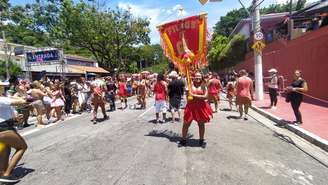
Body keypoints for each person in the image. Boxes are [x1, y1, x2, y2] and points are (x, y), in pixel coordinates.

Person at [180, 72, 213, 147]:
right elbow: (188, 97)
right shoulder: (189, 85)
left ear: (201, 78)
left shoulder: (204, 86)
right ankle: (183, 140)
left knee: (201, 125)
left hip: (200, 107)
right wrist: (187, 92)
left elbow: (205, 96)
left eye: (199, 77)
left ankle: (201, 140)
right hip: (190, 107)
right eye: (196, 77)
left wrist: (194, 95)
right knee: (186, 124)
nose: (198, 78)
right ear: (193, 77)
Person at [0, 96, 28, 183]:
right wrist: (24, 98)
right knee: (22, 147)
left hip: (4, 126)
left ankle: (2, 173)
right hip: (3, 128)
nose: (2, 88)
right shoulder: (1, 99)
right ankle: (7, 175)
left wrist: (15, 120)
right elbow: (21, 101)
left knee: (5, 150)